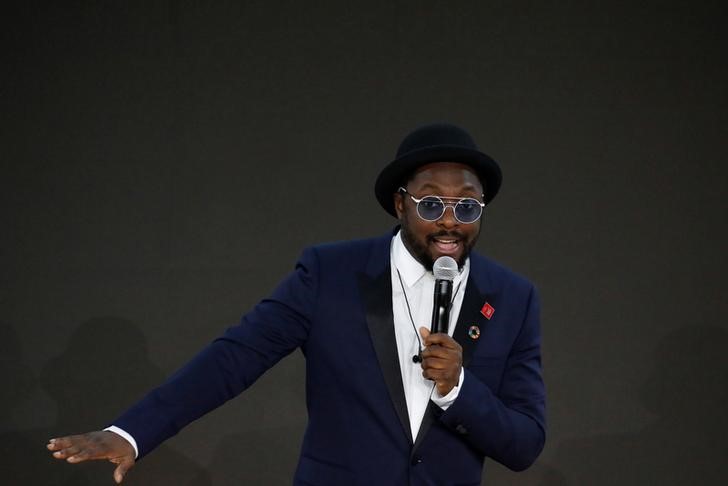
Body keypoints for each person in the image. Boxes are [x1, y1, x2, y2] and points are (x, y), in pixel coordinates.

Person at [47, 122, 546, 485]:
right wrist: (132, 433)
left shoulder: (512, 297)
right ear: (400, 204)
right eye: (432, 203)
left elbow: (524, 444)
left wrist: (459, 389)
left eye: (467, 206)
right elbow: (234, 358)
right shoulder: (331, 274)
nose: (450, 221)